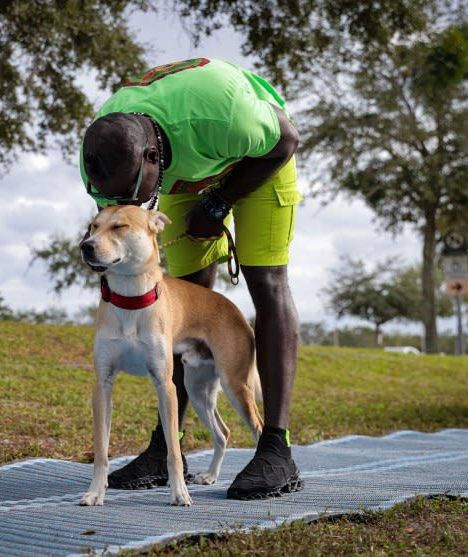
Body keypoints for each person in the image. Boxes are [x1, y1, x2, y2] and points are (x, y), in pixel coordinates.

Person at [79, 58, 303, 500]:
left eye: (129, 196)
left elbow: (286, 139)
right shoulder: (104, 152)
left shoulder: (224, 113)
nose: (123, 205)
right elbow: (119, 209)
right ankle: (167, 448)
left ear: (151, 157)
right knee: (184, 297)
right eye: (110, 199)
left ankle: (276, 446)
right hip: (184, 177)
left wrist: (220, 202)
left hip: (261, 158)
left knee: (268, 282)